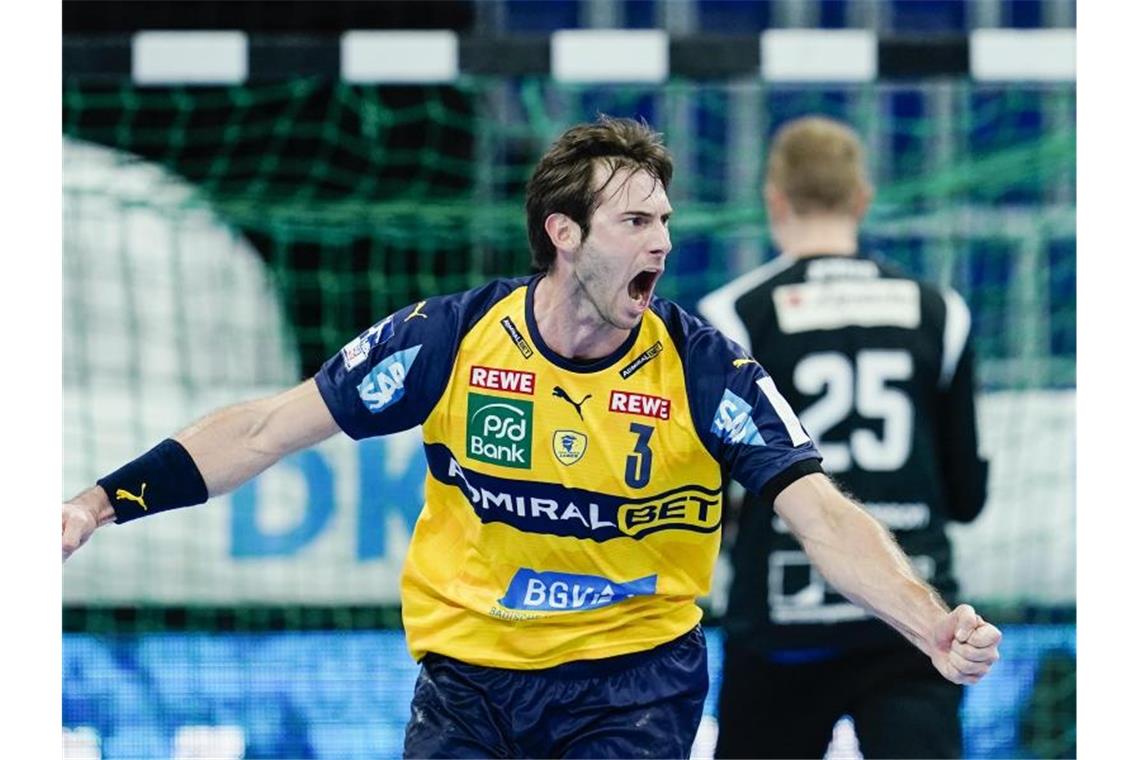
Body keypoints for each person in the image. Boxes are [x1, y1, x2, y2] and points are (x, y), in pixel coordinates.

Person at [63, 116, 1000, 759]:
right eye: (635, 221)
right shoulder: (451, 341)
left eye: (665, 221)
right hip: (471, 679)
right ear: (564, 233)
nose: (661, 244)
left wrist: (929, 624)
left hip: (632, 682)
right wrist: (103, 500)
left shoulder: (703, 366)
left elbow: (820, 512)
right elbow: (267, 430)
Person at [698, 115, 991, 759]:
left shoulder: (733, 315)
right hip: (915, 617)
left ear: (774, 199)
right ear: (862, 198)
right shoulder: (940, 311)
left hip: (781, 616)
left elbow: (707, 496)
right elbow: (966, 494)